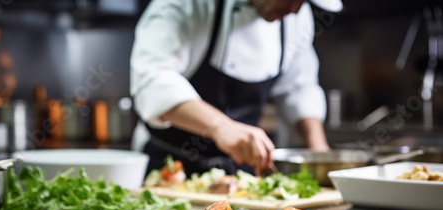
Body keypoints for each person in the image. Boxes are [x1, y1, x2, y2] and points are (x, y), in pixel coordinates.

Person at [130, 0, 343, 176]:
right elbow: (153, 81)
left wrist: (320, 152)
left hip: (241, 172)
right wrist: (221, 127)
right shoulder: (184, 5)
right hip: (171, 168)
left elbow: (299, 86)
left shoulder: (295, 15)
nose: (295, 8)